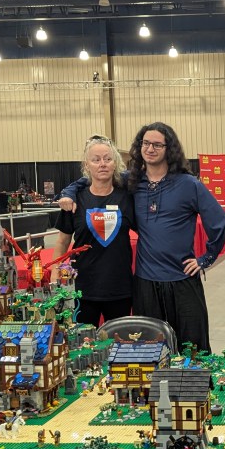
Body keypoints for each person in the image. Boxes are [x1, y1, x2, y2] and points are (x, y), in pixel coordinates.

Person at [63, 123, 225, 353]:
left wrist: (206, 258)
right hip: (146, 283)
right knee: (149, 350)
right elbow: (93, 178)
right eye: (146, 143)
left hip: (182, 279)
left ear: (169, 148)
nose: (150, 149)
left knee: (193, 348)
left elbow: (220, 221)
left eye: (157, 144)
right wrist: (68, 192)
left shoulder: (188, 184)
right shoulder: (132, 182)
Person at [53, 136, 134, 327]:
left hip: (120, 289)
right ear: (86, 165)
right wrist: (55, 272)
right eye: (96, 160)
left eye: (108, 159)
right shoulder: (74, 201)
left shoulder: (128, 198)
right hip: (83, 289)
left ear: (115, 164)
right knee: (83, 342)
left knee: (117, 342)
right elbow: (62, 242)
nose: (102, 164)